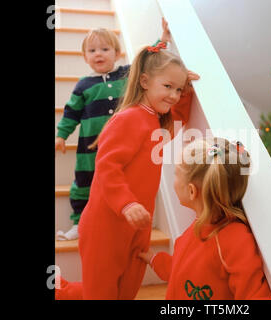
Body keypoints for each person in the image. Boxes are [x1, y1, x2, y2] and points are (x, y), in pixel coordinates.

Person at [75, 35, 200, 299]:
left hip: (137, 223)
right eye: (168, 86)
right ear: (144, 81)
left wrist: (186, 89)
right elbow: (108, 167)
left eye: (177, 90)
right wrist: (126, 204)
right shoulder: (129, 118)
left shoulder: (155, 121)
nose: (174, 95)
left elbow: (179, 119)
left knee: (127, 290)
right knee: (101, 293)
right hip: (107, 223)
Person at [55, 21, 171, 241]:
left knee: (123, 178)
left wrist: (162, 40)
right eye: (92, 51)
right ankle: (79, 222)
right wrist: (61, 135)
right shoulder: (83, 85)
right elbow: (71, 112)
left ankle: (124, 217)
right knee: (84, 181)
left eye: (105, 49)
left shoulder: (127, 75)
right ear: (85, 57)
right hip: (90, 147)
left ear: (117, 53)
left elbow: (145, 59)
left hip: (123, 144)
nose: (98, 54)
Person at [138, 138, 271, 300]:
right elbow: (184, 272)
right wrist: (154, 259)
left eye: (176, 174)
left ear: (191, 191)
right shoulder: (200, 226)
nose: (173, 180)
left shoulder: (235, 239)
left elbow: (253, 295)